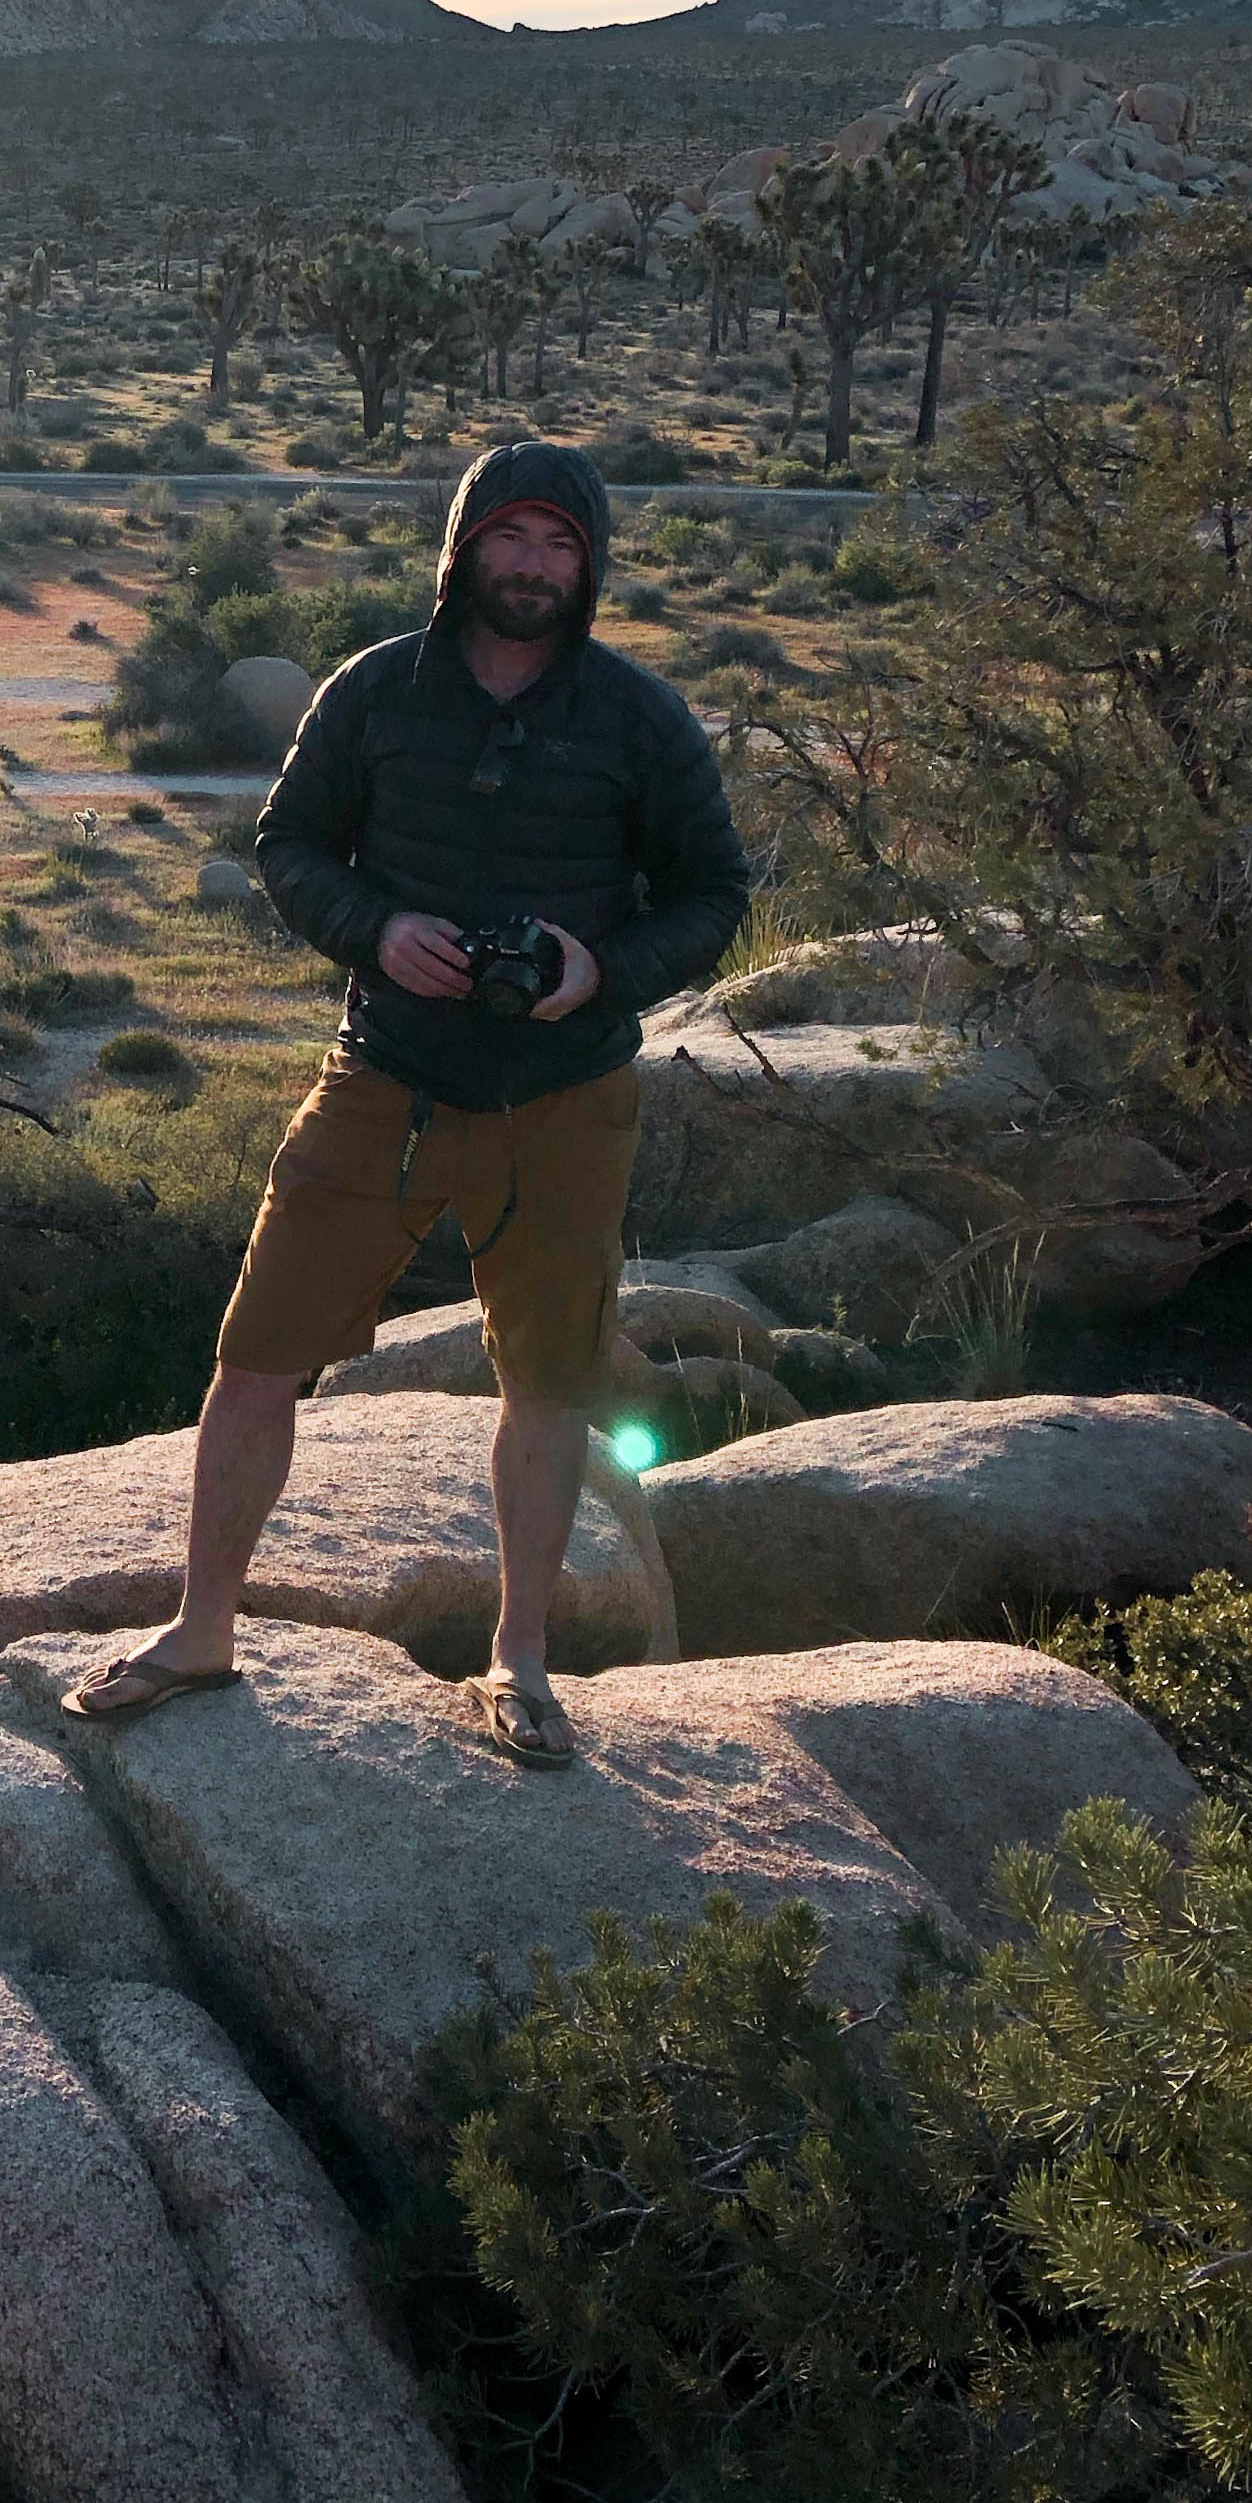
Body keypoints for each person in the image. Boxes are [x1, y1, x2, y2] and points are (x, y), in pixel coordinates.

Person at [66, 439, 750, 1766]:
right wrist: (374, 931)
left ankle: (520, 1661)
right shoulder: (375, 691)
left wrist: (599, 971)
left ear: (589, 565)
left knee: (546, 1382)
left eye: (560, 546)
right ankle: (201, 1629)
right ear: (462, 551)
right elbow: (286, 844)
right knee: (257, 1357)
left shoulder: (636, 717)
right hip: (385, 1073)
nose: (534, 568)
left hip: (565, 1094)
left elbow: (715, 892)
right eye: (511, 540)